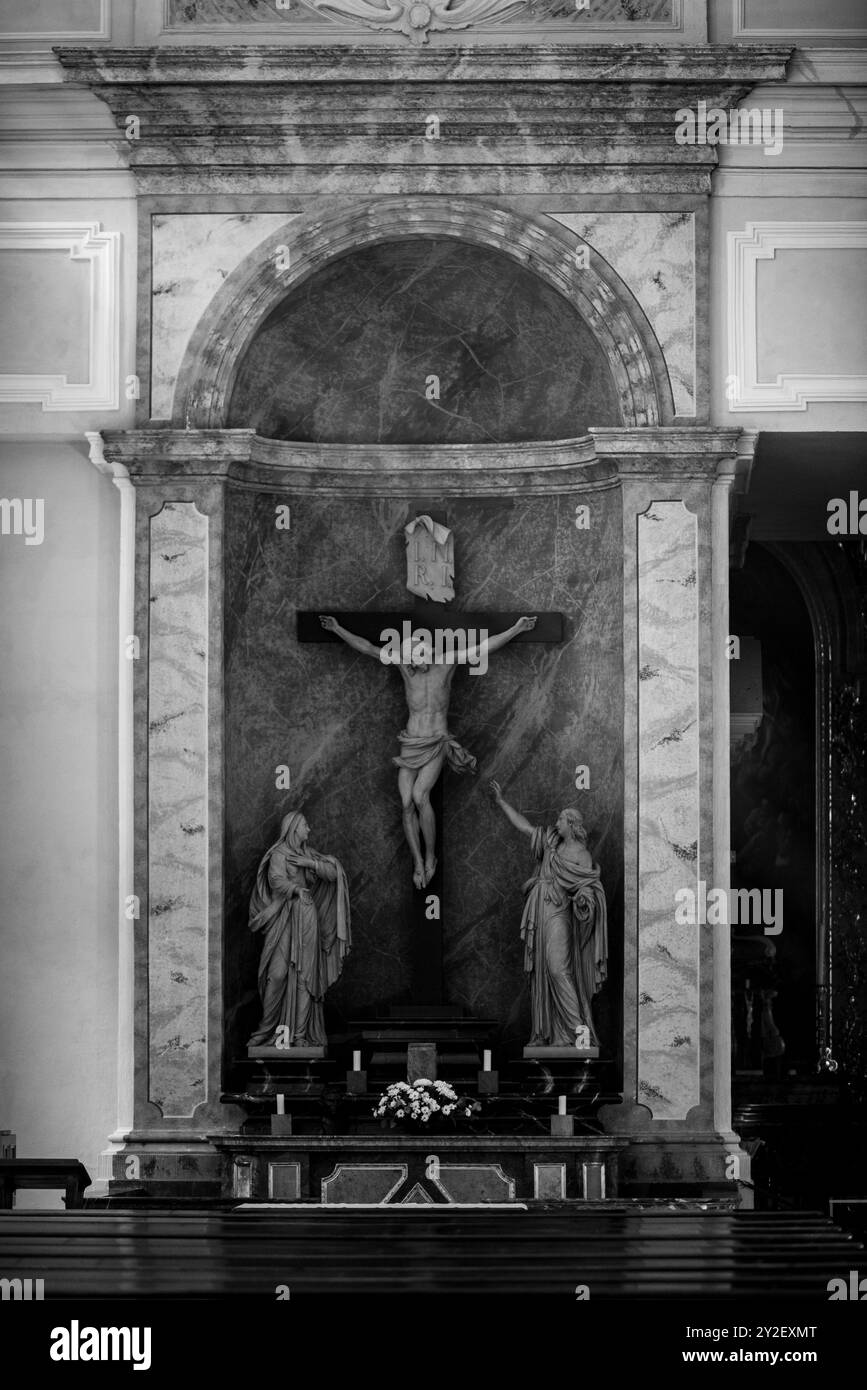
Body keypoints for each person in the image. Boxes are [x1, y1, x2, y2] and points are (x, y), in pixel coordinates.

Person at [319, 612, 536, 889]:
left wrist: (516, 629)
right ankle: (418, 862)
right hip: (411, 741)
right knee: (406, 803)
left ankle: (431, 857)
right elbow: (369, 648)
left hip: (436, 741)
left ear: (427, 654)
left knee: (421, 796)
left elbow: (483, 647)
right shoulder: (405, 665)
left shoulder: (446, 663)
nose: (415, 667)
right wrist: (337, 629)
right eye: (411, 663)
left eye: (419, 661)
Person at [490, 782, 607, 1048]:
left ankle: (579, 1033)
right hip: (539, 910)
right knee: (542, 973)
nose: (556, 823)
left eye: (560, 819)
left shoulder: (582, 855)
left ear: (571, 823)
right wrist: (501, 801)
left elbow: (588, 888)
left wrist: (584, 901)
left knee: (557, 969)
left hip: (559, 913)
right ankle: (548, 1034)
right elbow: (524, 827)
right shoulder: (551, 842)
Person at [247, 810, 350, 1049]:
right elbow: (275, 880)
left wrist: (310, 863)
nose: (309, 830)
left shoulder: (307, 853)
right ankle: (267, 1028)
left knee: (306, 976)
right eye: (305, 825)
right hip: (284, 915)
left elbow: (334, 873)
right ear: (293, 828)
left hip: (306, 915)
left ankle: (301, 1035)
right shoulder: (279, 854)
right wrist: (295, 889)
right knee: (277, 974)